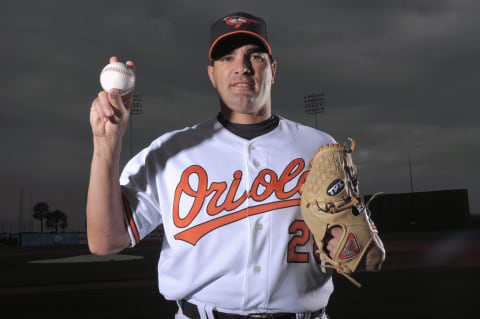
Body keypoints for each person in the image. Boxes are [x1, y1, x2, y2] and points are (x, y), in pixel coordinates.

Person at [87, 12, 383, 319]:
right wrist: (107, 142)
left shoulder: (320, 148)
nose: (241, 67)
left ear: (273, 69)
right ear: (212, 74)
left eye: (254, 56)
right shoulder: (170, 152)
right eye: (227, 58)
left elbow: (371, 256)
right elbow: (105, 241)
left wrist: (357, 249)